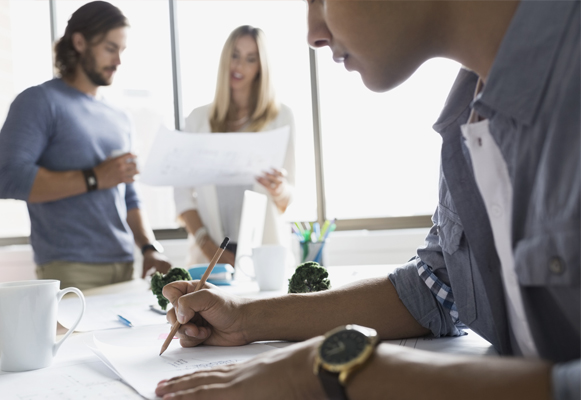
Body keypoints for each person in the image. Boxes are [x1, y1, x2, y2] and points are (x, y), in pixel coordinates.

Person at [155, 1, 579, 400]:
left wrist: (350, 373)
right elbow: (435, 287)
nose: (313, 34)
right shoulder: (466, 118)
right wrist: (245, 316)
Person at [0, 1, 171, 291]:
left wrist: (148, 247)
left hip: (125, 265)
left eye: (122, 50)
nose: (118, 61)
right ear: (79, 42)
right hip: (70, 268)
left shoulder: (120, 117)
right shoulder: (39, 102)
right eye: (110, 48)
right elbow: (7, 177)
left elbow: (129, 195)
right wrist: (95, 177)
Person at [173, 25, 296, 268]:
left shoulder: (281, 117)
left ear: (261, 67)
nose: (239, 66)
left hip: (264, 254)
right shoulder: (198, 120)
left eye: (251, 59)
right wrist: (208, 248)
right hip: (209, 257)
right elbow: (182, 196)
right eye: (235, 55)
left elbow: (287, 197)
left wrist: (278, 188)